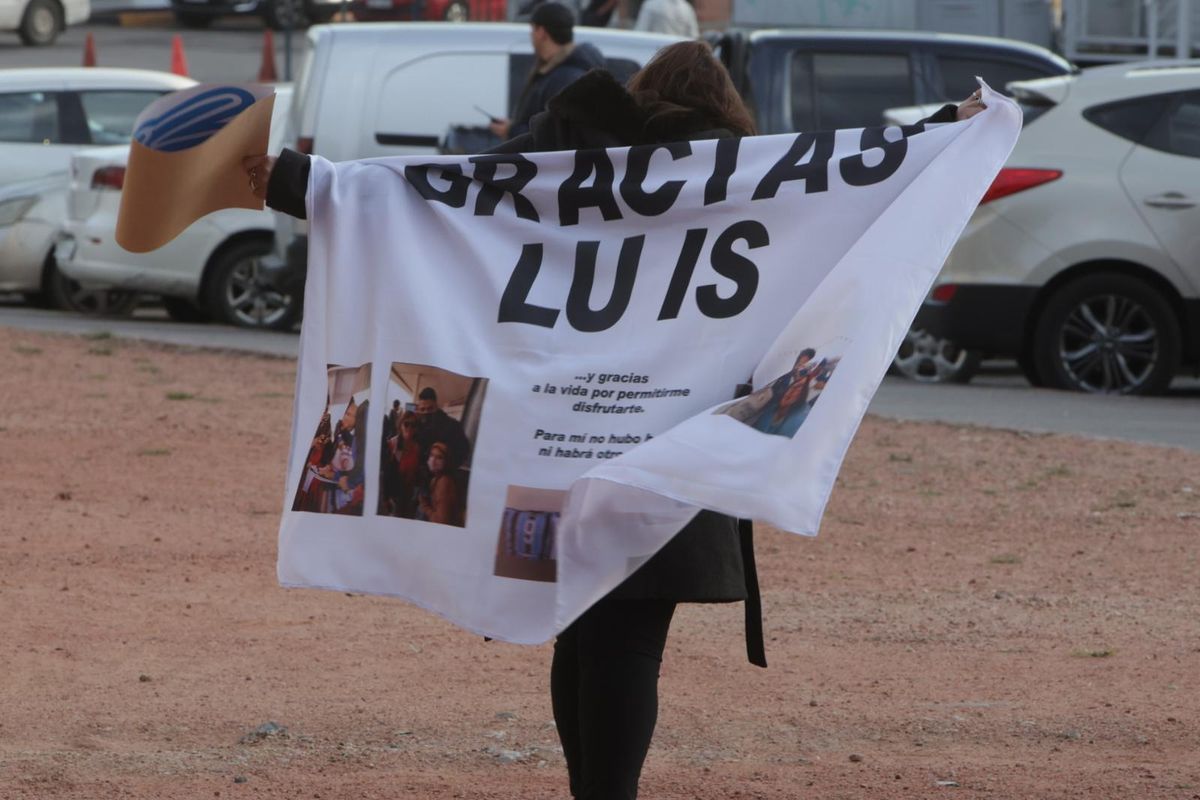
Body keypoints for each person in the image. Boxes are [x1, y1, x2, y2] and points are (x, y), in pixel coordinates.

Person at [242, 48, 989, 798]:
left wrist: (288, 178)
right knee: (629, 647)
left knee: (578, 629)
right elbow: (856, 175)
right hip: (671, 445)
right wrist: (945, 130)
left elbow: (438, 195)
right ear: (727, 112)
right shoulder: (746, 174)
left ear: (641, 94)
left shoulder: (565, 152)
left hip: (551, 446)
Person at [488, 2, 605, 141]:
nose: (531, 36)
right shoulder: (556, 71)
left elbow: (553, 135)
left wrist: (512, 131)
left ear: (541, 33)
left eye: (532, 30)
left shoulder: (566, 78)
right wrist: (513, 127)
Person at [412, 387, 471, 472]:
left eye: (430, 408)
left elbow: (463, 451)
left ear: (436, 405)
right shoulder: (418, 426)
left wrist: (447, 469)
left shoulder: (452, 426)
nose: (426, 412)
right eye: (422, 409)